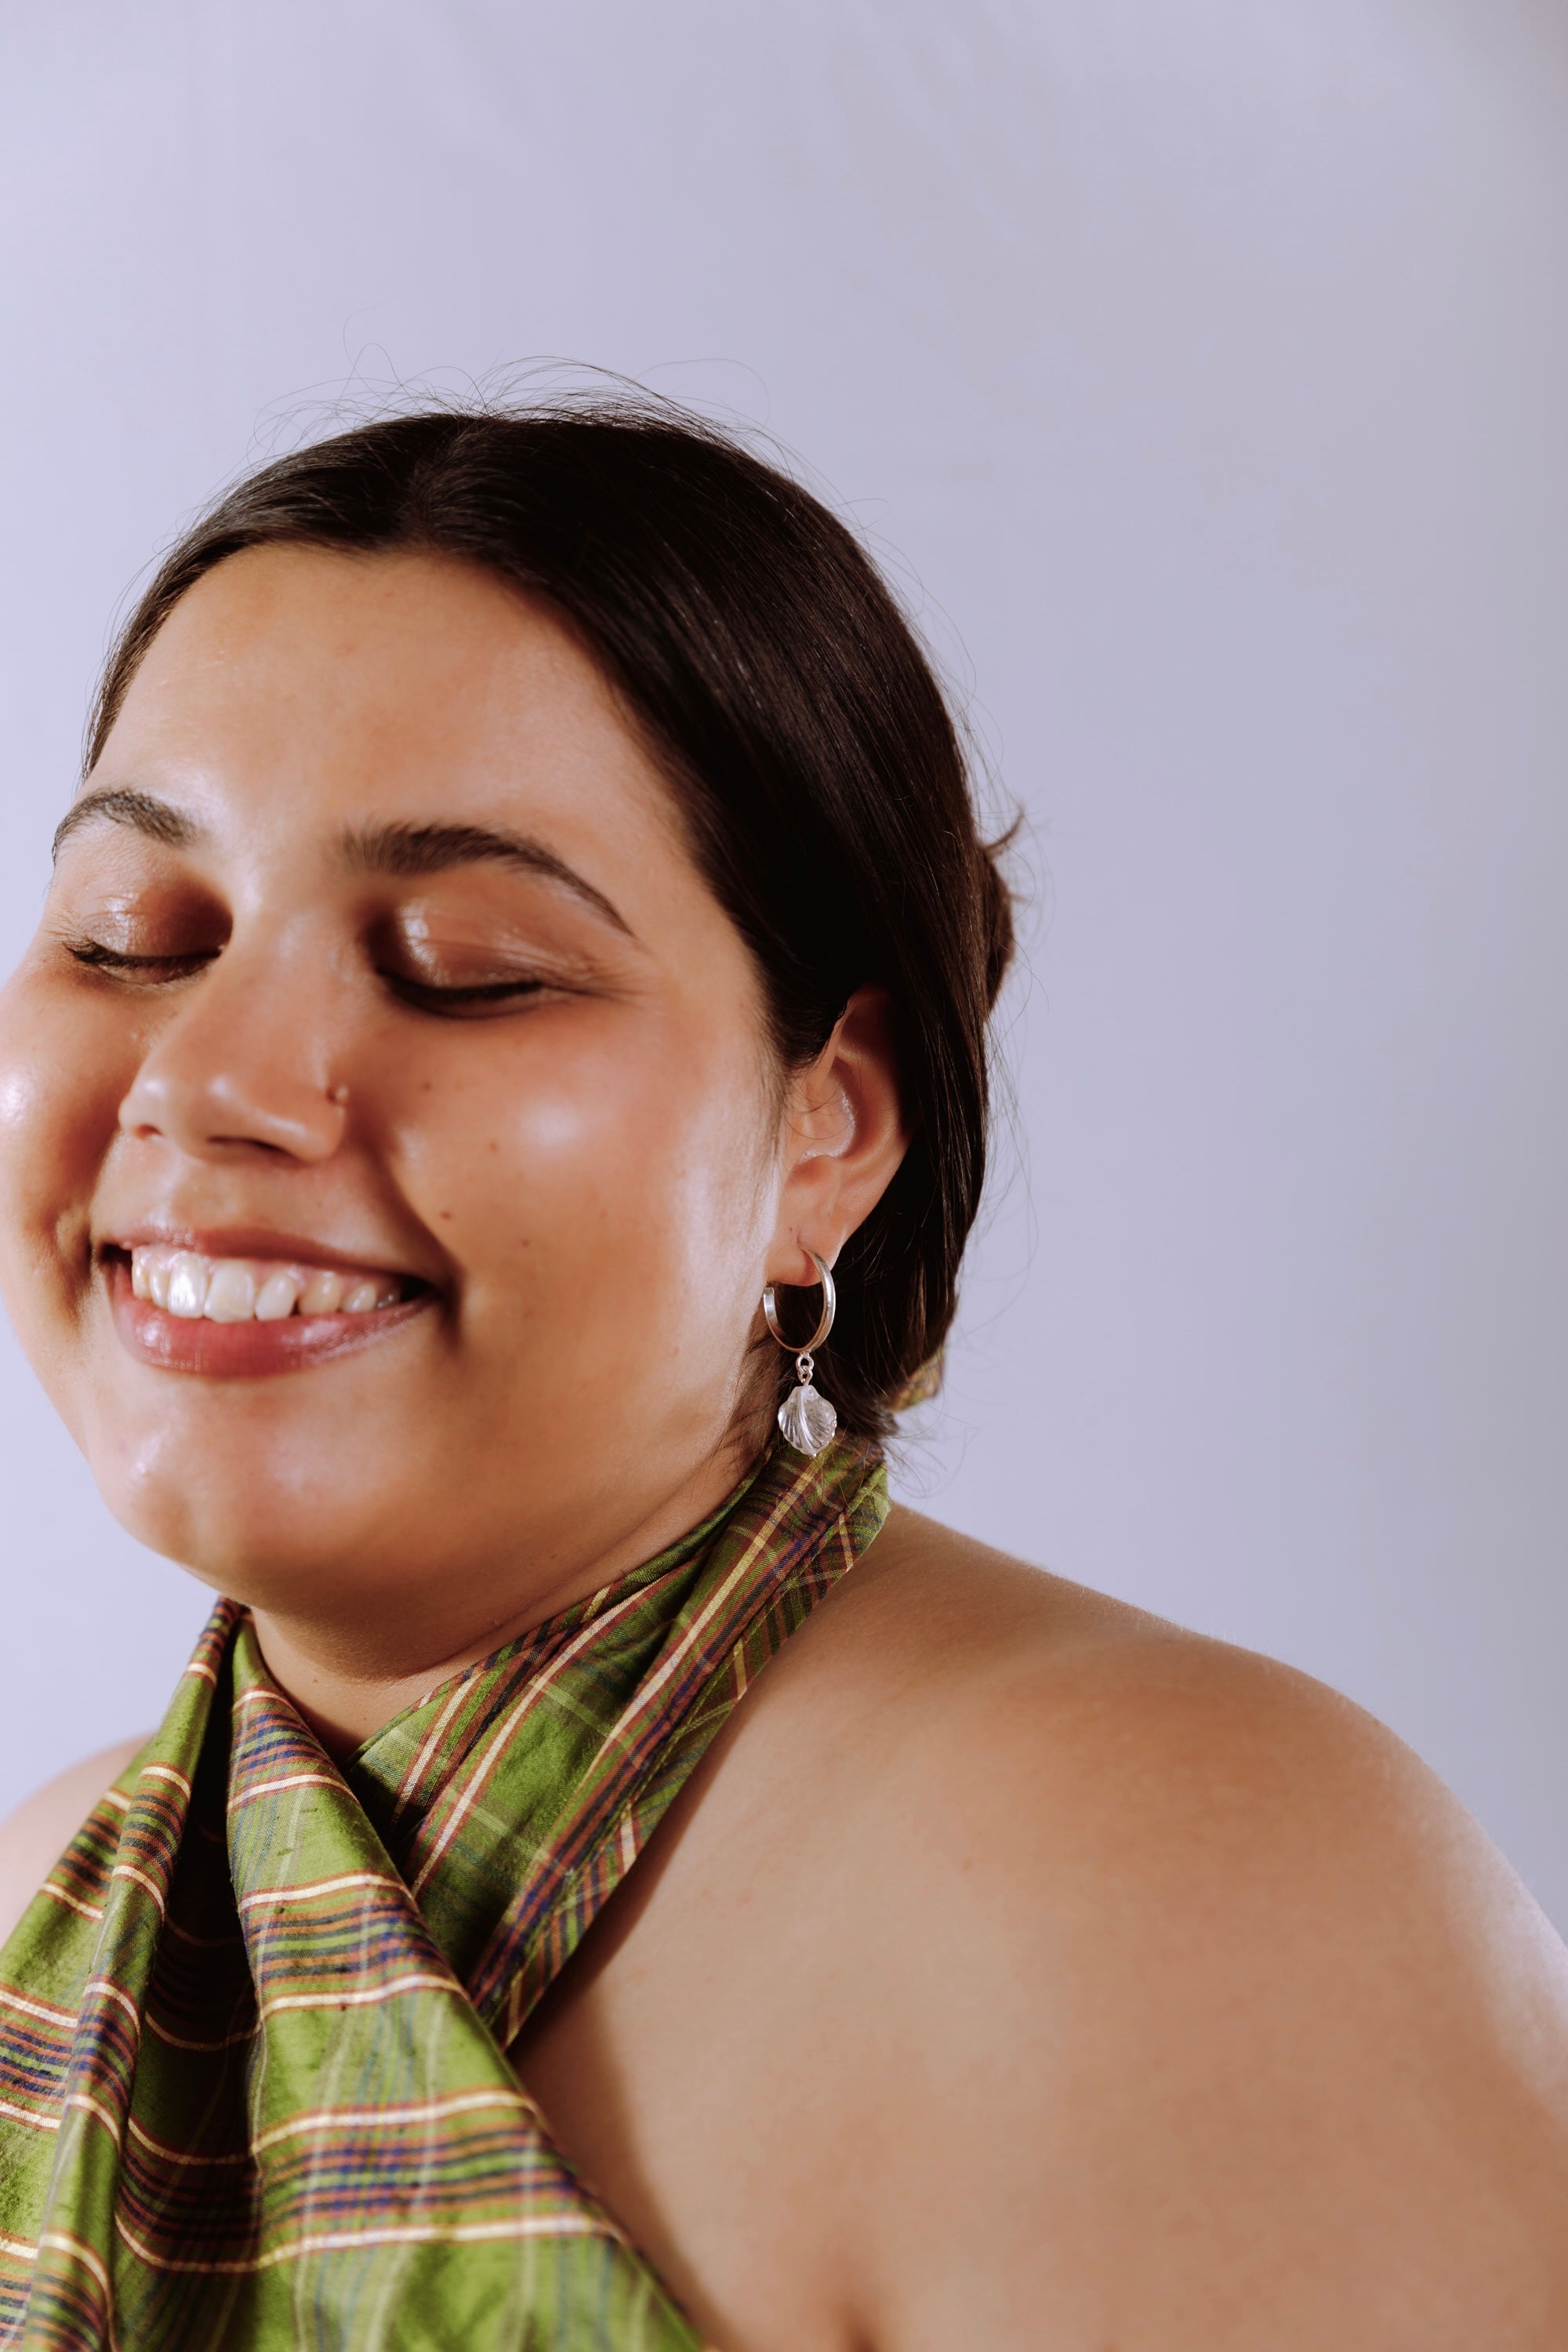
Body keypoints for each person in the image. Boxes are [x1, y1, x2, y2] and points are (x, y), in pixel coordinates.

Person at [0, 401, 1563, 2352]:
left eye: (466, 964)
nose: (206, 1082)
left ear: (826, 1131)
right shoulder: (48, 1905)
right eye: (132, 934)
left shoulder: (1165, 1883)